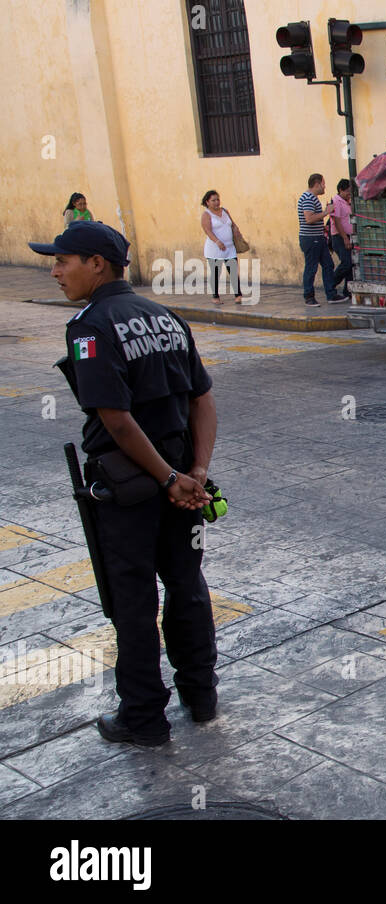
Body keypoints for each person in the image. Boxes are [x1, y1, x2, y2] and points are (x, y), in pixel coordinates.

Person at [28, 220, 220, 746]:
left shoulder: (91, 326)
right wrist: (194, 474)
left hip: (131, 488)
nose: (55, 271)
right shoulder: (166, 316)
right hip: (183, 485)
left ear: (97, 264)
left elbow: (114, 418)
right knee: (187, 586)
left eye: (63, 261)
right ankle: (201, 696)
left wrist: (168, 477)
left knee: (133, 601)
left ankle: (143, 717)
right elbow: (203, 400)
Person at [298, 173, 345, 307]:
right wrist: (326, 212)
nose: (325, 187)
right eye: (323, 184)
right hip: (310, 238)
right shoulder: (307, 198)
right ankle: (309, 296)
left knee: (328, 265)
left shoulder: (312, 198)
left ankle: (331, 294)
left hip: (318, 237)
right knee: (311, 267)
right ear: (317, 184)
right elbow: (309, 219)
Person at [200, 190, 245, 305]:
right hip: (215, 249)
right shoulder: (206, 215)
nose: (216, 202)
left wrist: (236, 230)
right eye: (213, 200)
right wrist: (217, 242)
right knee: (216, 273)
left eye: (217, 199)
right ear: (207, 202)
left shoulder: (224, 211)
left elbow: (232, 224)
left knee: (233, 271)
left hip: (230, 248)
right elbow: (207, 231)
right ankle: (215, 297)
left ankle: (238, 295)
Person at [326, 179, 355, 298]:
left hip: (348, 236)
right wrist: (345, 238)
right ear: (340, 190)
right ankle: (330, 283)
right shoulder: (336, 201)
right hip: (339, 237)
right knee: (346, 263)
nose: (349, 194)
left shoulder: (346, 201)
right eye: (347, 192)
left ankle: (347, 291)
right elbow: (336, 221)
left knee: (351, 264)